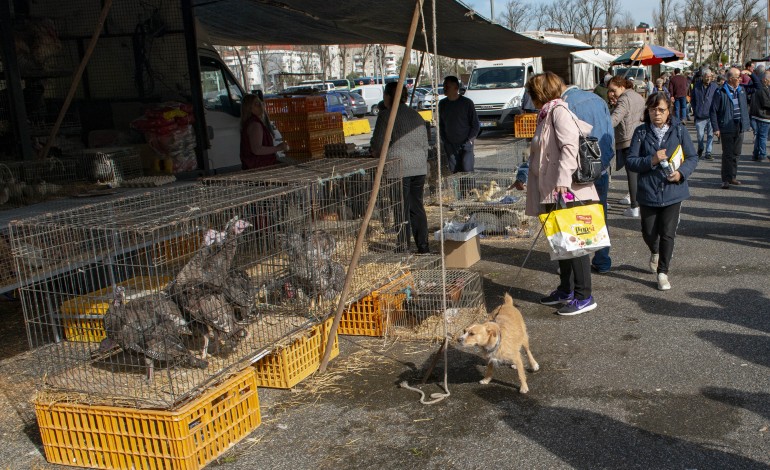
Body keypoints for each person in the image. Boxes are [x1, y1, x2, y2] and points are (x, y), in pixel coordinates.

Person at [525, 72, 599, 316]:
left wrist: (563, 181)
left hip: (564, 191)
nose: (530, 98)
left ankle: (583, 296)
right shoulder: (546, 113)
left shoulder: (558, 112)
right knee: (561, 244)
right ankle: (566, 289)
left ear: (540, 93)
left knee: (575, 244)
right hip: (550, 190)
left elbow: (570, 146)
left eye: (532, 93)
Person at [625, 92, 698, 291]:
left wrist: (681, 173)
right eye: (652, 109)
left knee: (667, 233)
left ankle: (663, 272)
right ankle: (655, 250)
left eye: (661, 110)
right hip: (648, 191)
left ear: (669, 112)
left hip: (674, 191)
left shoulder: (680, 130)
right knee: (648, 232)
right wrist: (652, 160)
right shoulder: (640, 132)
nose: (656, 113)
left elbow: (692, 157)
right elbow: (631, 161)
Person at [561, 79, 616, 274]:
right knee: (600, 214)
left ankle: (578, 264)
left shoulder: (564, 105)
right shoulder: (599, 100)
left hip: (576, 172)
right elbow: (610, 136)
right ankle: (602, 260)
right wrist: (604, 164)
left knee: (575, 217)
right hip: (599, 167)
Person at [370, 82, 430, 253]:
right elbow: (425, 143)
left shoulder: (386, 115)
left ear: (389, 96)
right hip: (419, 166)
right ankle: (423, 245)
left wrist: (374, 151)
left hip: (399, 167)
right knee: (416, 206)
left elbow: (379, 143)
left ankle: (403, 245)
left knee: (400, 206)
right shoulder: (415, 115)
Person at [607, 75, 646, 218]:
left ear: (622, 87)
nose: (611, 93)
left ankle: (634, 206)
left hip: (627, 139)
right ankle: (637, 201)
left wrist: (603, 125)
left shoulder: (624, 99)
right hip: (640, 136)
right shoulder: (638, 96)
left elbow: (615, 119)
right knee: (638, 173)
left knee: (632, 174)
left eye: (613, 90)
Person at [710, 67, 750, 189]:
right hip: (726, 126)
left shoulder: (741, 90)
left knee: (736, 154)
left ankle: (733, 176)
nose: (740, 79)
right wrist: (716, 127)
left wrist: (751, 74)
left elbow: (757, 86)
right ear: (731, 79)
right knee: (727, 154)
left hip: (740, 125)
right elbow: (713, 111)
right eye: (738, 77)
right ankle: (725, 179)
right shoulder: (720, 91)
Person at [438, 75, 480, 173]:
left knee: (467, 170)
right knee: (454, 171)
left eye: (447, 87)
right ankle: (457, 189)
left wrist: (469, 141)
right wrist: (445, 141)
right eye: (444, 86)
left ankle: (470, 189)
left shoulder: (467, 103)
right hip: (451, 145)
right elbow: (441, 125)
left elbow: (475, 125)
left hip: (465, 144)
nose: (444, 89)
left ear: (456, 88)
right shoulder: (442, 104)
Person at [240, 94, 288, 170]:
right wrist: (278, 148)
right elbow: (257, 149)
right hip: (259, 166)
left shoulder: (250, 123)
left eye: (260, 103)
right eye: (256, 104)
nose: (260, 106)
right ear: (249, 108)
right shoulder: (255, 125)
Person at [690, 69, 718, 160]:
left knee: (710, 135)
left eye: (710, 77)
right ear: (703, 77)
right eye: (707, 77)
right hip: (700, 115)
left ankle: (708, 152)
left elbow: (717, 99)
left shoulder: (714, 86)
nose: (708, 78)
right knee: (700, 135)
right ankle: (701, 147)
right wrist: (695, 109)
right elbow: (693, 99)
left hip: (711, 115)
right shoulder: (697, 86)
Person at [749, 70, 770, 161]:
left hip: (760, 115)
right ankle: (762, 154)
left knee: (759, 136)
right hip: (763, 116)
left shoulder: (763, 88)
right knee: (762, 136)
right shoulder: (763, 89)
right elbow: (766, 103)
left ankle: (756, 154)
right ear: (765, 79)